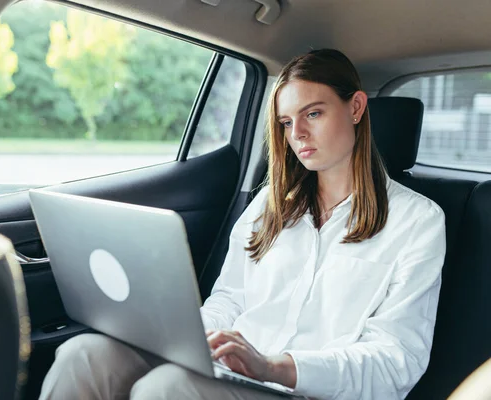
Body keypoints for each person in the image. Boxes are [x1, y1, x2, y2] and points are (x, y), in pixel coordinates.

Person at [39, 49, 446, 400]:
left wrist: (275, 366)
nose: (298, 134)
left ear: (356, 108)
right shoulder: (269, 204)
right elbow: (230, 301)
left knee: (168, 388)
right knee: (85, 353)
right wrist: (179, 337)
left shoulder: (418, 222)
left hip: (308, 389)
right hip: (236, 373)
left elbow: (396, 361)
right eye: (286, 123)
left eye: (314, 113)